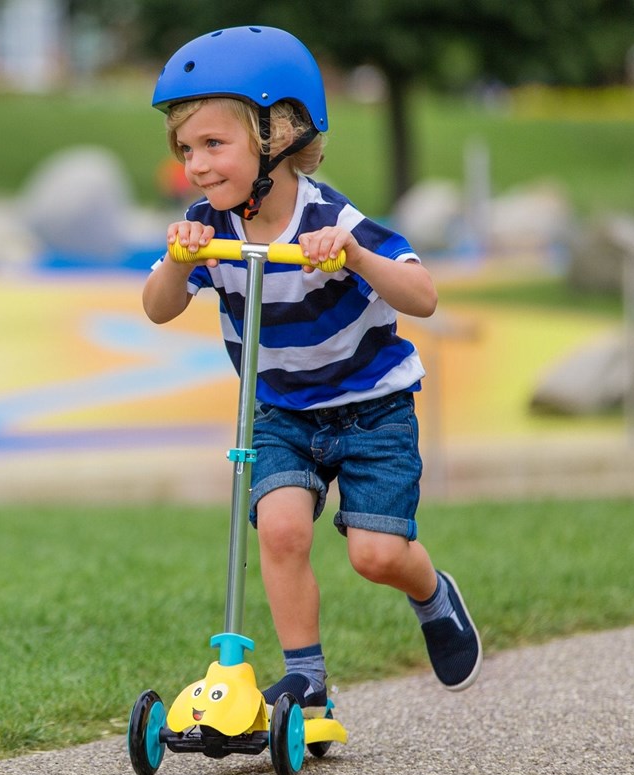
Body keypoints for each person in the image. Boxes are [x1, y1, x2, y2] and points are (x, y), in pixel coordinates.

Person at [143, 26, 482, 710]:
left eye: (214, 143)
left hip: (371, 410)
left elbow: (423, 295)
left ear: (280, 134)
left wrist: (355, 256)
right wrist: (181, 261)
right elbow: (157, 308)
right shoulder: (207, 227)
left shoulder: (331, 218)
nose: (198, 164)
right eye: (186, 149)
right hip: (279, 413)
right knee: (283, 529)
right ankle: (308, 679)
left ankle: (432, 594)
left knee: (376, 556)